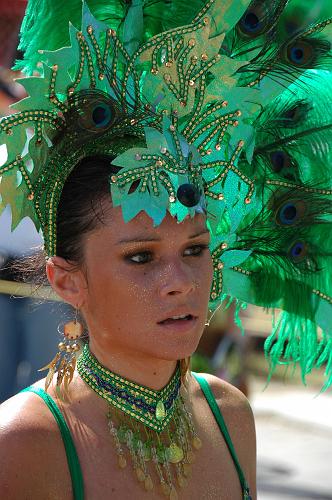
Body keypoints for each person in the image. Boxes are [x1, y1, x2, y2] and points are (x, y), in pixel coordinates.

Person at [0, 0, 331, 498]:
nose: (181, 281)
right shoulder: (26, 442)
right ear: (67, 279)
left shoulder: (230, 415)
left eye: (196, 250)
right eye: (140, 257)